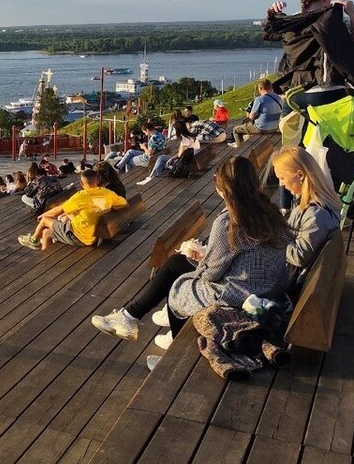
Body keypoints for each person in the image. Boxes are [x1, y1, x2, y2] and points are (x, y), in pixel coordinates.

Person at [90, 156, 290, 367]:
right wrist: (204, 259)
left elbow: (212, 273)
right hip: (268, 288)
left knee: (180, 287)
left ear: (224, 188)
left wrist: (201, 261)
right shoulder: (270, 211)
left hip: (241, 295)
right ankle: (131, 317)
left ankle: (172, 359)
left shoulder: (230, 220)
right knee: (177, 263)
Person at [18, 168, 128, 249]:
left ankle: (33, 240)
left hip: (81, 236)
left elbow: (59, 209)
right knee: (48, 230)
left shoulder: (81, 196)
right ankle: (43, 252)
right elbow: (124, 204)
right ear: (97, 181)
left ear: (81, 183)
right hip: (96, 235)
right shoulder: (107, 193)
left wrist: (42, 215)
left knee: (45, 221)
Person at [272, 146, 342, 271]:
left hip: (295, 275)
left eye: (282, 178)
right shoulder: (320, 201)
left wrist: (272, 239)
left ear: (300, 175)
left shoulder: (317, 215)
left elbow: (299, 256)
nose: (281, 184)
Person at [138, 112, 200, 185]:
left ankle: (152, 177)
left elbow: (179, 155)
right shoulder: (192, 137)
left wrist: (172, 158)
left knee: (161, 159)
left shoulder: (184, 141)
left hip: (184, 163)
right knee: (161, 159)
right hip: (191, 160)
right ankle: (152, 176)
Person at [230, 79, 283, 147]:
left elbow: (251, 116)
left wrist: (249, 114)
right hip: (275, 127)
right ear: (270, 87)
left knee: (236, 129)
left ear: (260, 88)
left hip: (262, 127)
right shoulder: (278, 97)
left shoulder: (259, 99)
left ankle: (240, 147)